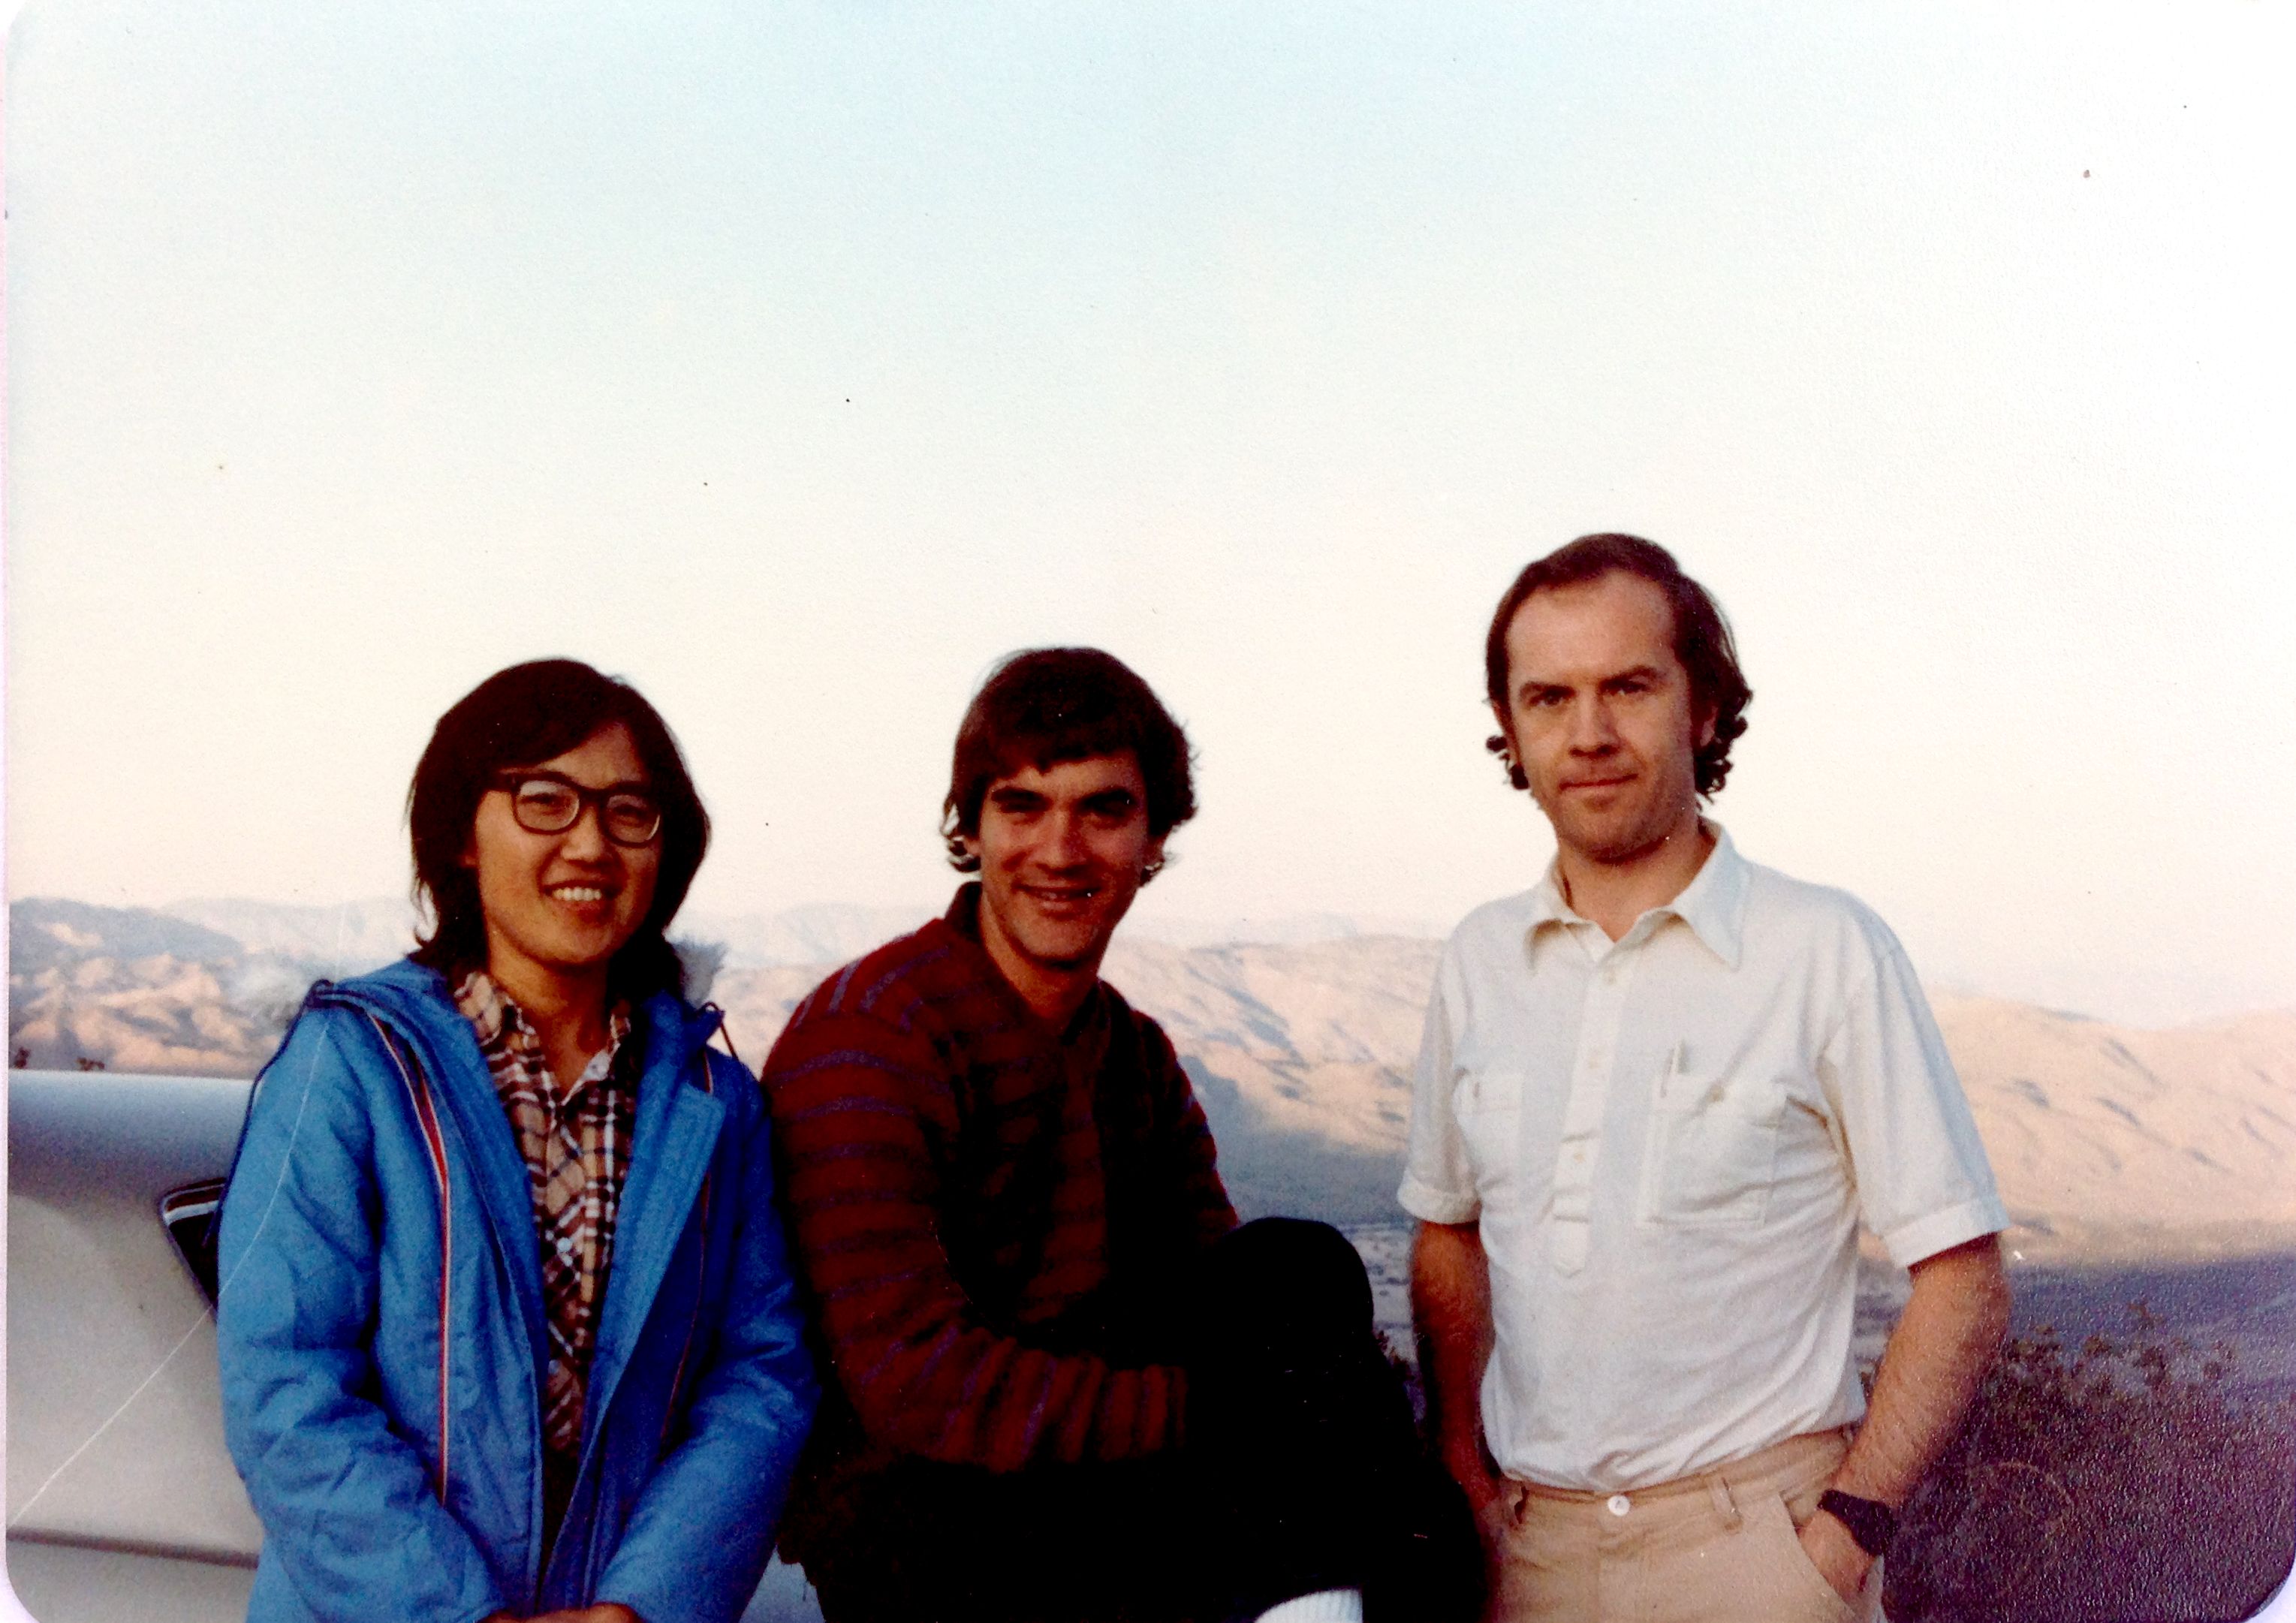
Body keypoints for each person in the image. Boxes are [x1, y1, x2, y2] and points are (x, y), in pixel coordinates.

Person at [761, 647, 1479, 1623]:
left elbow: (1226, 1296)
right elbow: (911, 1380)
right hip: (923, 1517)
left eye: (1102, 809)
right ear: (968, 830)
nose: (1060, 850)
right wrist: (1219, 1416)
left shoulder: (1131, 1052)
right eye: (1021, 805)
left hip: (1096, 1472)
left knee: (1298, 1270)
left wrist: (1282, 1405)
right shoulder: (874, 1034)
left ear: (1152, 840)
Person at [1403, 536, 2012, 1623]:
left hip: (1758, 1555)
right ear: (1509, 726)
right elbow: (1446, 1231)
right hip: (1527, 1559)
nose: (1587, 734)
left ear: (1700, 707)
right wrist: (1463, 1467)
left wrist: (1840, 1540)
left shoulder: (1822, 948)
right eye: (1547, 697)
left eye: (1627, 687)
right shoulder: (1478, 959)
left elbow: (1960, 1272)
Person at [216, 659, 818, 1623]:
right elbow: (285, 1380)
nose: (590, 842)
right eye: (544, 799)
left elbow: (762, 1374)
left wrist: (640, 1606)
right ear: (460, 830)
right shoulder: (355, 1062)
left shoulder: (712, 1099)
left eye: (630, 809)